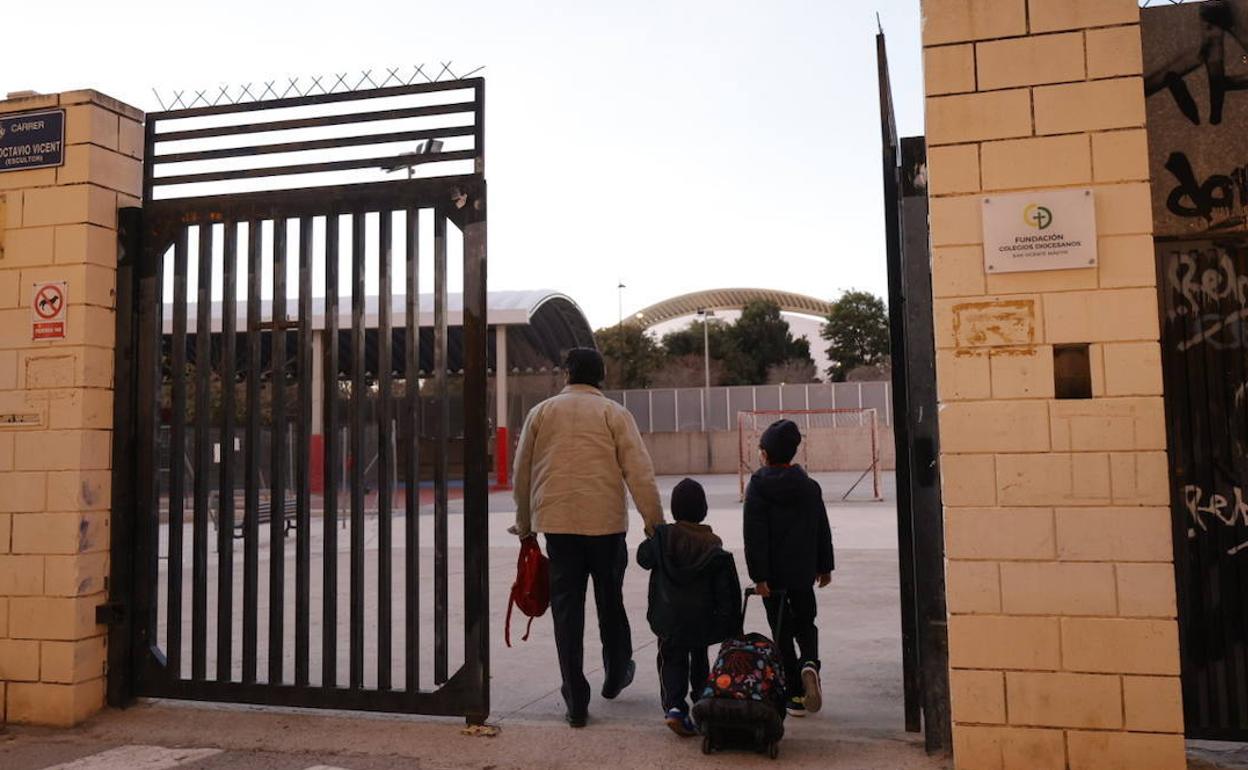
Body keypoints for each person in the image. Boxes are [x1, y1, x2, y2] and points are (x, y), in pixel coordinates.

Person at [510, 347, 665, 728]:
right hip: (607, 527)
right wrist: (655, 525)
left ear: (567, 374)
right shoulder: (614, 413)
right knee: (610, 601)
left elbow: (522, 474)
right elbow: (639, 471)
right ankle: (615, 673)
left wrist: (526, 526)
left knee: (567, 610)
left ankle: (576, 698)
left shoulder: (541, 413)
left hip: (558, 527)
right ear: (602, 376)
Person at [742, 419, 834, 718]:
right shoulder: (809, 487)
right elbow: (822, 528)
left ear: (766, 454)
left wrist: (759, 576)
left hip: (773, 578)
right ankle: (810, 662)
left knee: (781, 631)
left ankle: (794, 694)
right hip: (803, 572)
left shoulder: (757, 486)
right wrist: (824, 566)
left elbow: (753, 534)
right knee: (807, 621)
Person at [638, 478, 741, 737]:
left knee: (671, 659)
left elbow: (643, 558)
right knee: (699, 660)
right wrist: (729, 624)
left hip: (668, 617)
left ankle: (674, 707)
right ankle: (702, 702)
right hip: (702, 619)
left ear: (674, 510)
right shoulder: (713, 545)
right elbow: (724, 592)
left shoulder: (663, 538)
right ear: (703, 510)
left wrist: (652, 534)